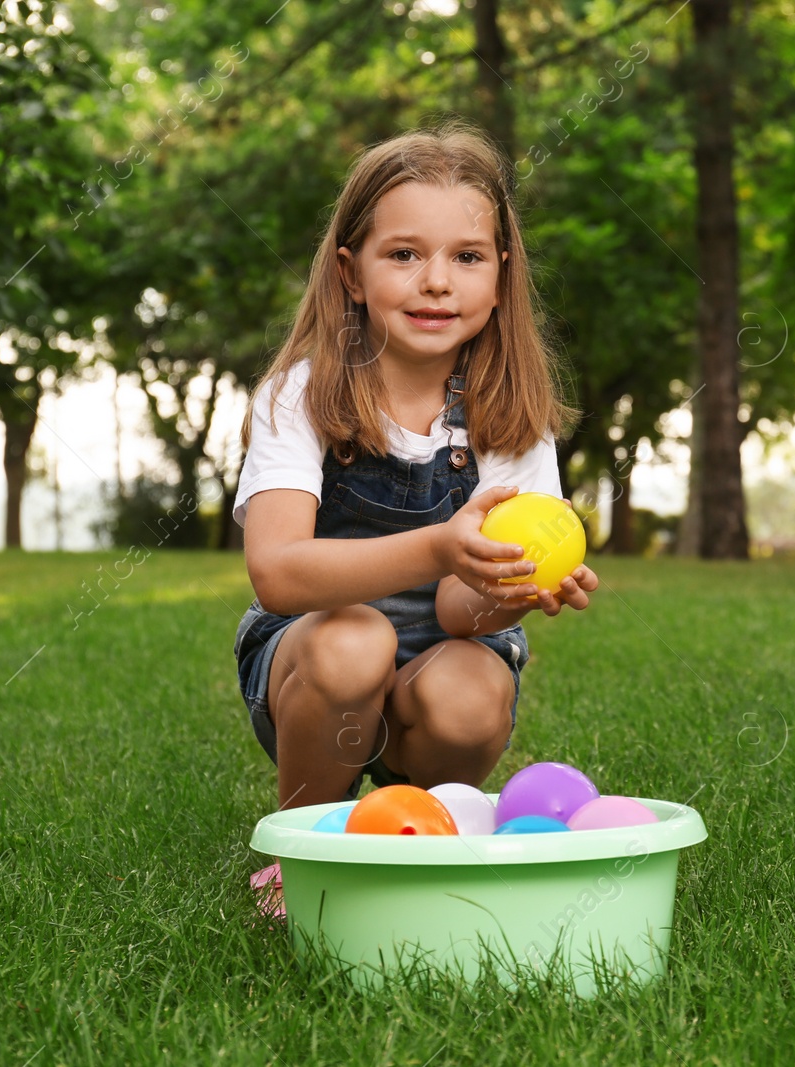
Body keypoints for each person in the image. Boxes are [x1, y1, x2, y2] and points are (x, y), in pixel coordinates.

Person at [233, 123, 600, 913]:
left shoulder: (512, 419)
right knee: (353, 640)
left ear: (501, 276)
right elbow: (279, 572)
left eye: (467, 257)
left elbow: (458, 613)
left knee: (473, 686)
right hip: (314, 661)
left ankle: (414, 837)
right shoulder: (298, 397)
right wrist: (442, 542)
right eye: (403, 254)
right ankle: (302, 851)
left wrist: (507, 586)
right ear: (351, 272)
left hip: (442, 653)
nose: (437, 281)